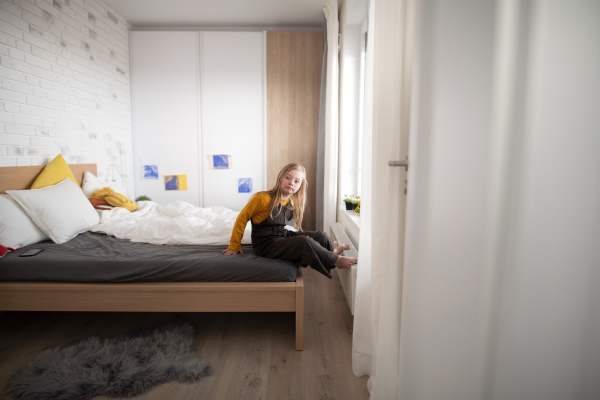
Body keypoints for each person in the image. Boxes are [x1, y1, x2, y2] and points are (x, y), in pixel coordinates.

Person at [222, 163, 357, 278]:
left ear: (300, 186)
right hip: (265, 244)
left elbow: (295, 228)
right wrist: (234, 245)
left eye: (296, 181)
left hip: (281, 236)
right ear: (281, 178)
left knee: (321, 236)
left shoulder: (290, 201)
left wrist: (305, 236)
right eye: (288, 178)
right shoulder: (262, 198)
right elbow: (242, 218)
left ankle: (331, 254)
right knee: (304, 242)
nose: (291, 182)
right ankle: (335, 260)